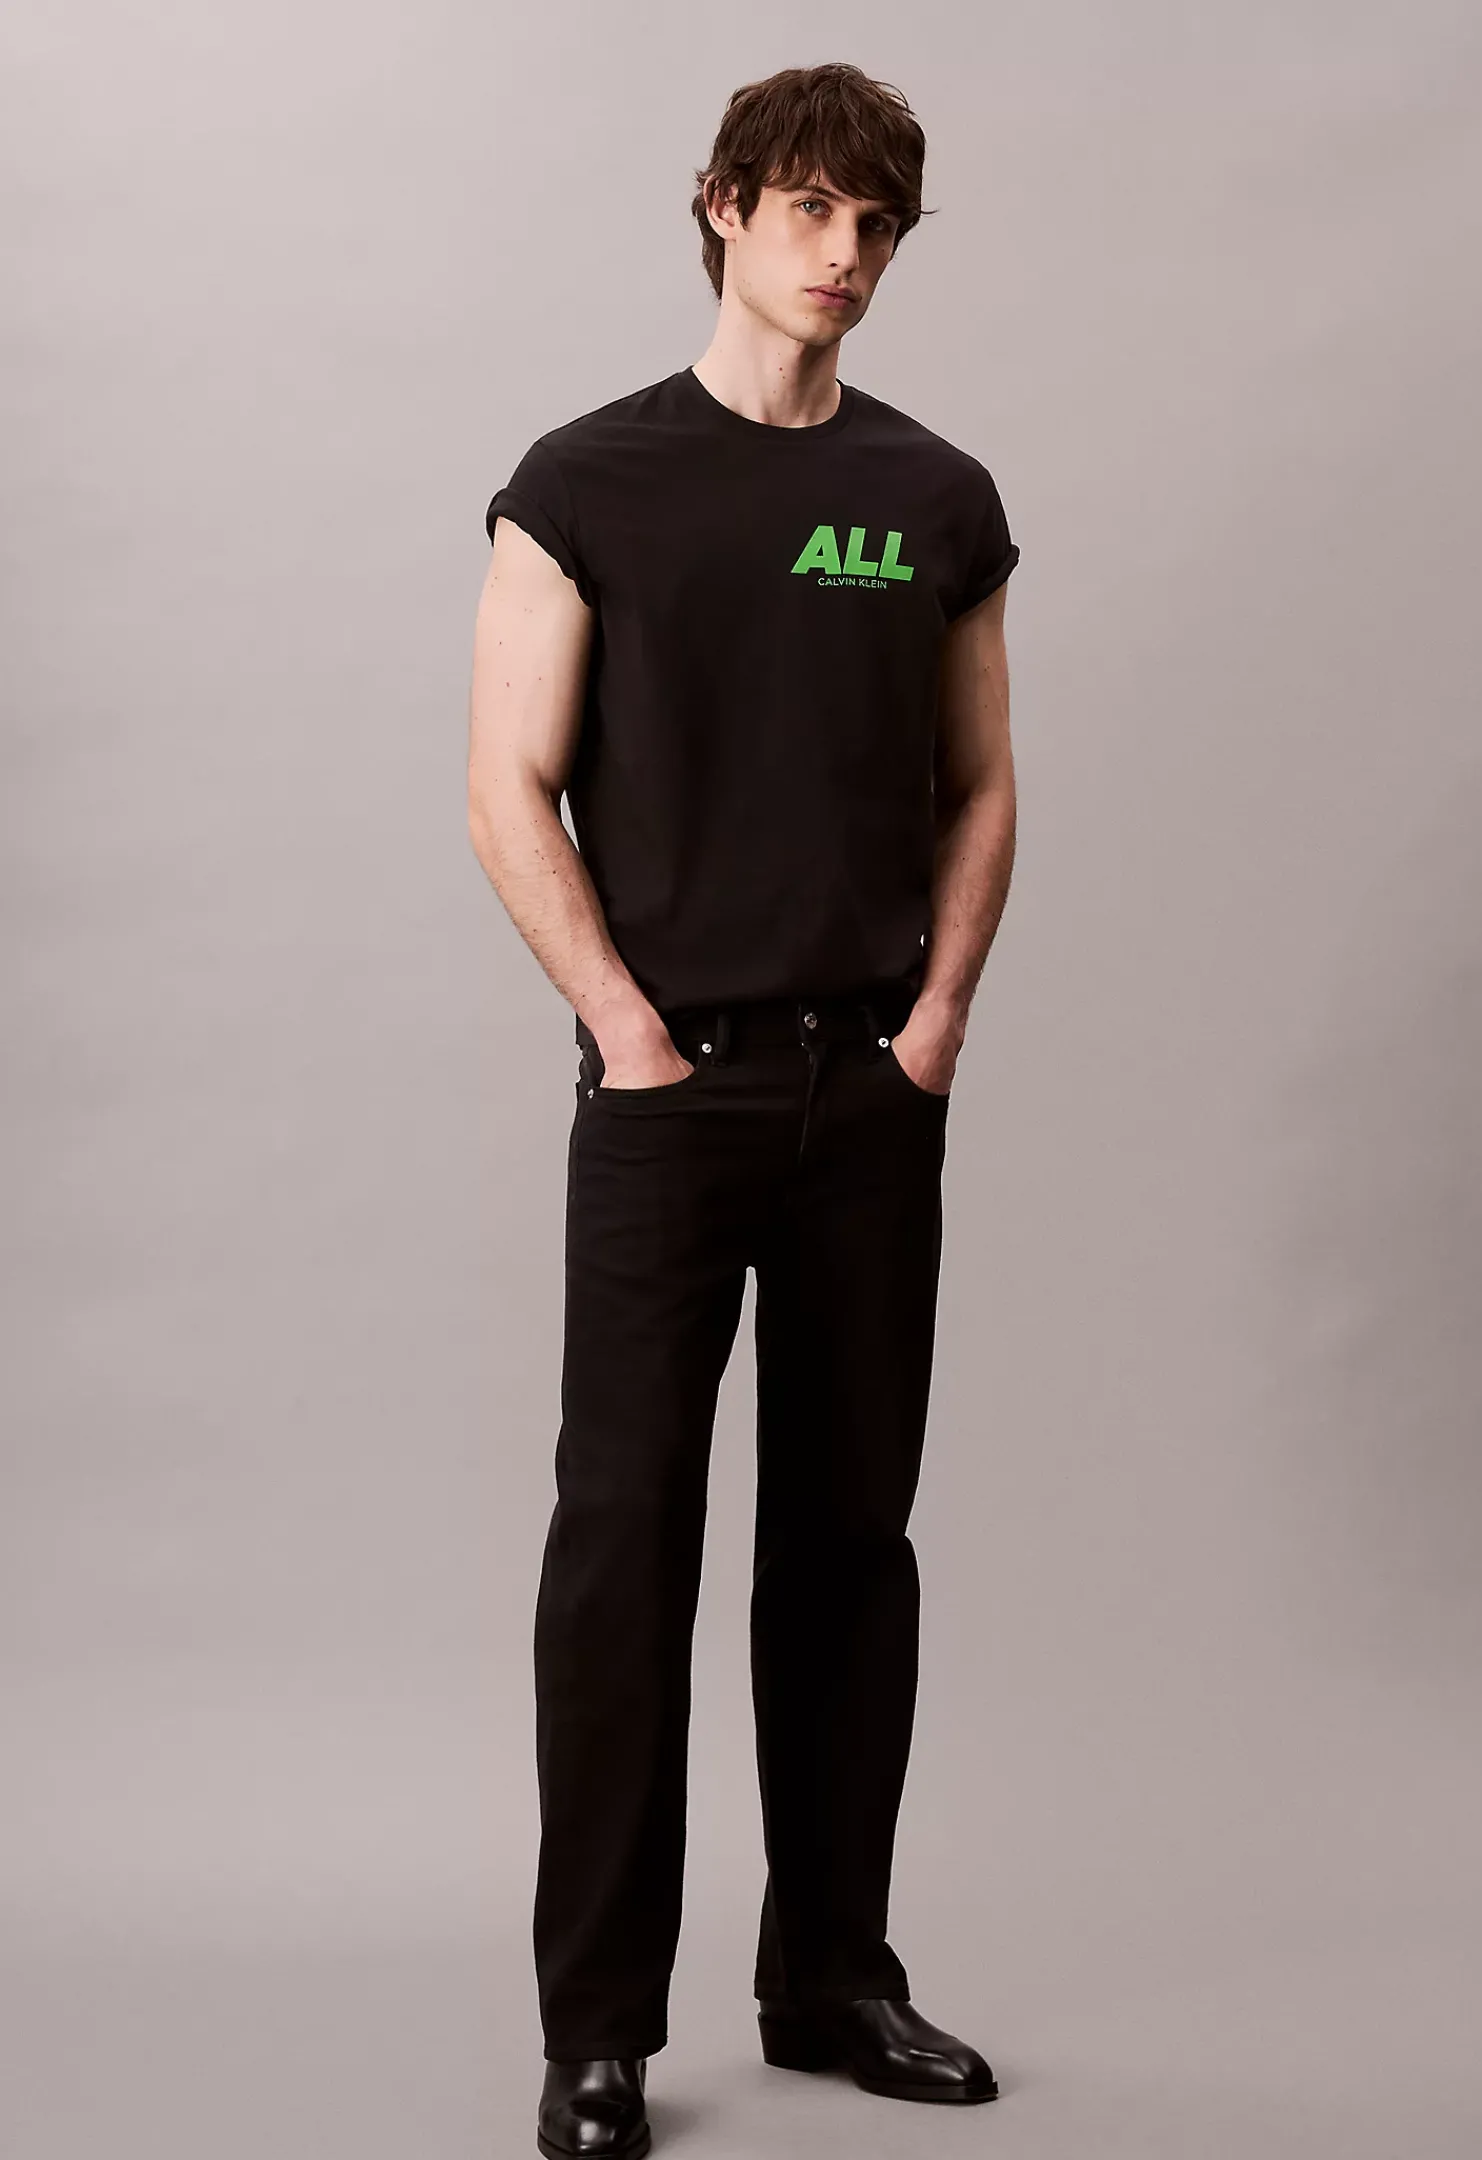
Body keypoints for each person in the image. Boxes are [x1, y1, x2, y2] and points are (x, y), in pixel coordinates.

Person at [468, 59, 1020, 2160]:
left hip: (869, 1091)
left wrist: (933, 1025)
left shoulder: (934, 498)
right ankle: (599, 2030)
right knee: (623, 1551)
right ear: (722, 207)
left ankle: (832, 1980)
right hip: (669, 1093)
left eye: (878, 225)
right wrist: (624, 1030)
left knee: (849, 1547)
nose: (844, 253)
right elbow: (506, 783)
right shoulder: (586, 482)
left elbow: (983, 783)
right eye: (808, 210)